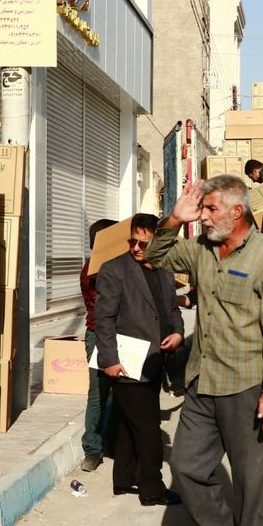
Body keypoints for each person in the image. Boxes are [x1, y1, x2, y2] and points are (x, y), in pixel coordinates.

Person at [145, 175, 263, 526]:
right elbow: (155, 255)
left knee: (250, 481)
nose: (203, 217)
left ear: (236, 212)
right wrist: (174, 218)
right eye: (202, 209)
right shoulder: (200, 251)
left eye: (210, 210)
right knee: (187, 466)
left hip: (248, 384)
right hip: (202, 379)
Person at [94, 214, 186, 506]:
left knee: (129, 423)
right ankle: (152, 489)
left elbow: (172, 310)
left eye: (143, 243)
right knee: (147, 428)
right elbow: (104, 319)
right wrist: (109, 359)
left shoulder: (164, 269)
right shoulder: (114, 270)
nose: (136, 247)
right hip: (126, 362)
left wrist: (178, 334)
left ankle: (123, 479)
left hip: (156, 360)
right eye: (132, 241)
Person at [80, 218, 117, 472]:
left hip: (121, 336)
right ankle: (92, 449)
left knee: (119, 393)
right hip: (99, 335)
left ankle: (112, 440)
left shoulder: (115, 267)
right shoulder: (93, 270)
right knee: (98, 393)